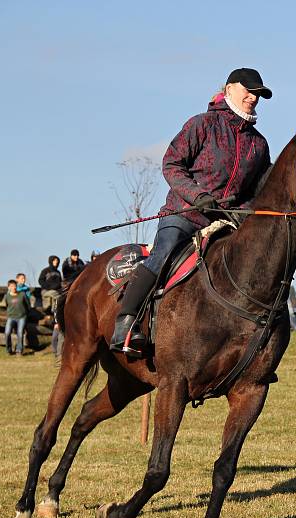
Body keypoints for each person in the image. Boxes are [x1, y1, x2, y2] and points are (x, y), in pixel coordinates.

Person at [110, 68, 272, 353]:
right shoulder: (202, 125)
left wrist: (242, 209)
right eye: (248, 90)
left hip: (227, 222)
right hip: (185, 213)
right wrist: (198, 196)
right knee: (163, 253)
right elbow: (172, 164)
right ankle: (127, 321)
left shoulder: (258, 144)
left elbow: (256, 192)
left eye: (258, 94)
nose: (253, 97)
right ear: (229, 88)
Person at [3, 279, 30, 355]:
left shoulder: (22, 294)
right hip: (11, 317)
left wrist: (26, 313)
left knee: (20, 333)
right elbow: (6, 305)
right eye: (11, 286)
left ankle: (19, 350)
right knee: (7, 332)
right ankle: (8, 350)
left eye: (15, 286)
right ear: (8, 287)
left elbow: (28, 305)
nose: (13, 287)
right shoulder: (7, 296)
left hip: (21, 317)